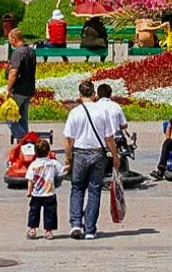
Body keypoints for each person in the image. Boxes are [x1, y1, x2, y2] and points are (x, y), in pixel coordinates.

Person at [62, 81, 120, 240]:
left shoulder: (75, 113)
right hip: (98, 154)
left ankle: (75, 224)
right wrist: (115, 157)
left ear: (80, 96)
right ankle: (90, 229)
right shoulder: (102, 112)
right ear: (94, 94)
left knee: (77, 188)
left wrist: (67, 158)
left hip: (80, 153)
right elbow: (109, 138)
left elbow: (69, 140)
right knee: (95, 190)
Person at [25, 139, 64, 240]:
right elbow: (62, 171)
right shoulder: (52, 163)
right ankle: (48, 231)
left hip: (36, 193)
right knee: (50, 213)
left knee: (34, 212)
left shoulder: (33, 165)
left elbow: (30, 180)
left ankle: (32, 229)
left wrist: (29, 191)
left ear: (35, 152)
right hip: (49, 193)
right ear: (48, 151)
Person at [6, 29, 37, 141]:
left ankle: (26, 140)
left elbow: (13, 72)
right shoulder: (31, 51)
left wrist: (8, 89)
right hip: (28, 89)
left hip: (18, 90)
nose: (10, 43)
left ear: (15, 38)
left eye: (10, 40)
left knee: (9, 117)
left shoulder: (18, 53)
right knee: (23, 119)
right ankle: (24, 148)